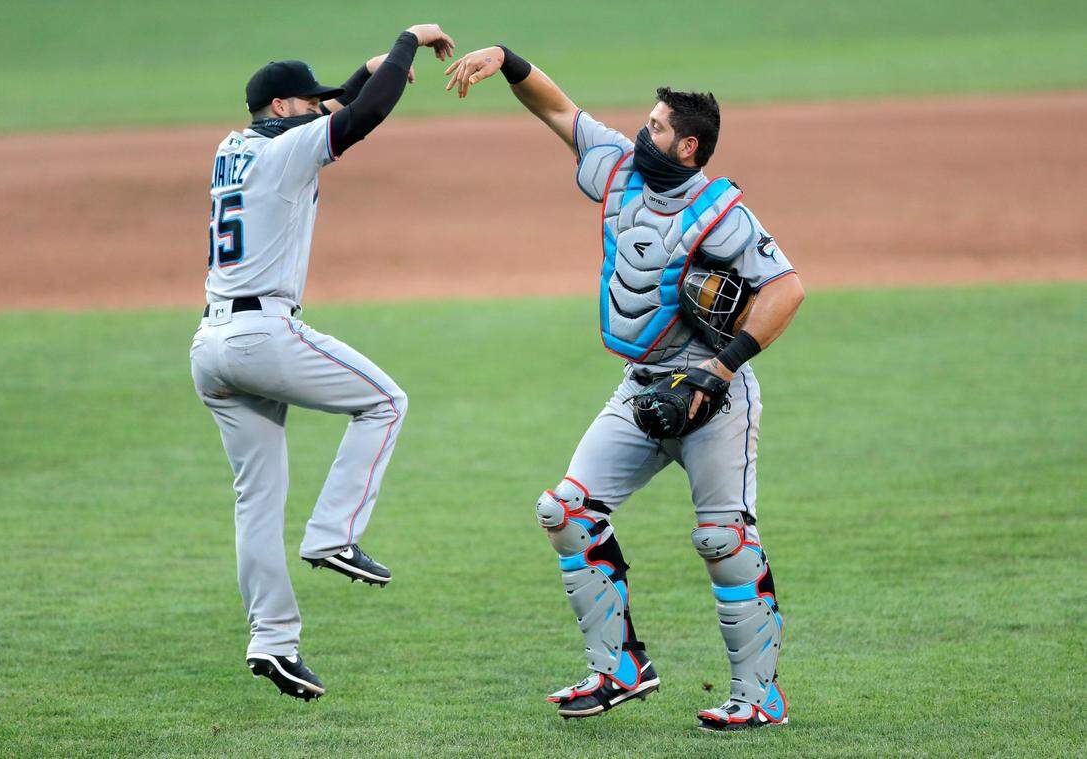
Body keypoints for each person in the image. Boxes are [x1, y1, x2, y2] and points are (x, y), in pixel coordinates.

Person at [443, 45, 805, 730]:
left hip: (714, 399)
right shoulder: (617, 168)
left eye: (660, 127)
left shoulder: (722, 213)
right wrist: (508, 61)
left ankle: (759, 694)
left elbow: (787, 288)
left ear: (690, 145)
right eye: (647, 121)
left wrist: (720, 367)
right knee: (565, 513)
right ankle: (619, 667)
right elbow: (557, 109)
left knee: (723, 539)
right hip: (640, 390)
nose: (644, 132)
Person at [189, 24, 455, 701]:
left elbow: (337, 106)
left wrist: (358, 72)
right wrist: (405, 43)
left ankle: (273, 641)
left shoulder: (234, 146)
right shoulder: (289, 148)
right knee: (385, 400)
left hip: (211, 347)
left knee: (255, 503)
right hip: (262, 336)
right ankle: (334, 534)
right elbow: (361, 117)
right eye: (307, 101)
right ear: (282, 108)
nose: (318, 108)